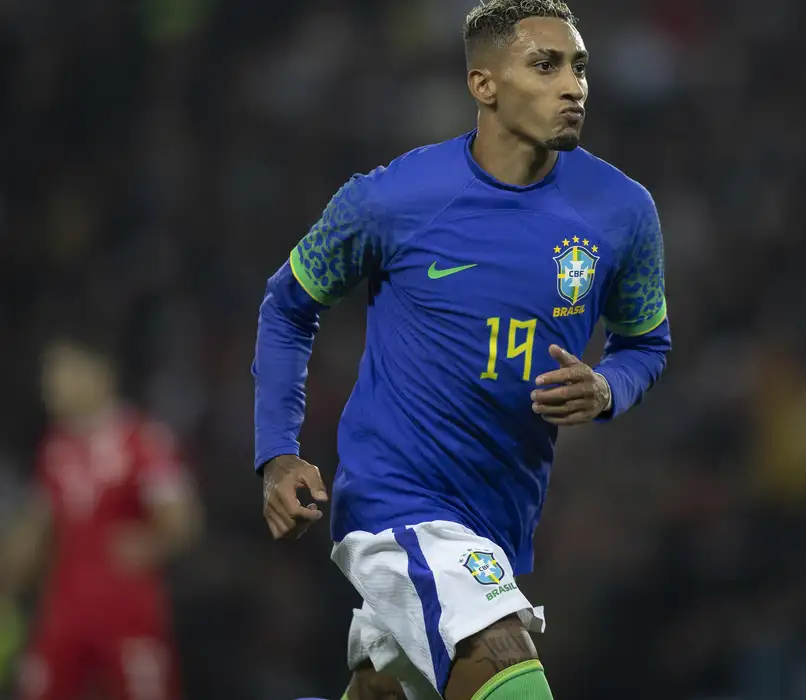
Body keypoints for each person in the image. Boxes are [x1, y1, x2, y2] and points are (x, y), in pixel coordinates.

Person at [250, 1, 671, 698]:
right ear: (484, 85)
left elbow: (645, 345)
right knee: (505, 661)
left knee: (385, 689)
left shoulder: (622, 211)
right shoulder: (392, 199)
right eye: (546, 65)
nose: (573, 86)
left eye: (579, 67)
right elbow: (287, 306)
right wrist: (277, 451)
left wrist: (606, 388)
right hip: (397, 502)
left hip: (497, 517)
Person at [4, 333, 201, 700]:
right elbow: (35, 528)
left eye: (61, 370)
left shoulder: (143, 440)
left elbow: (182, 521)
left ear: (99, 374)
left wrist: (149, 545)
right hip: (64, 606)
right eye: (48, 372)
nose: (50, 383)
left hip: (126, 608)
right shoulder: (54, 449)